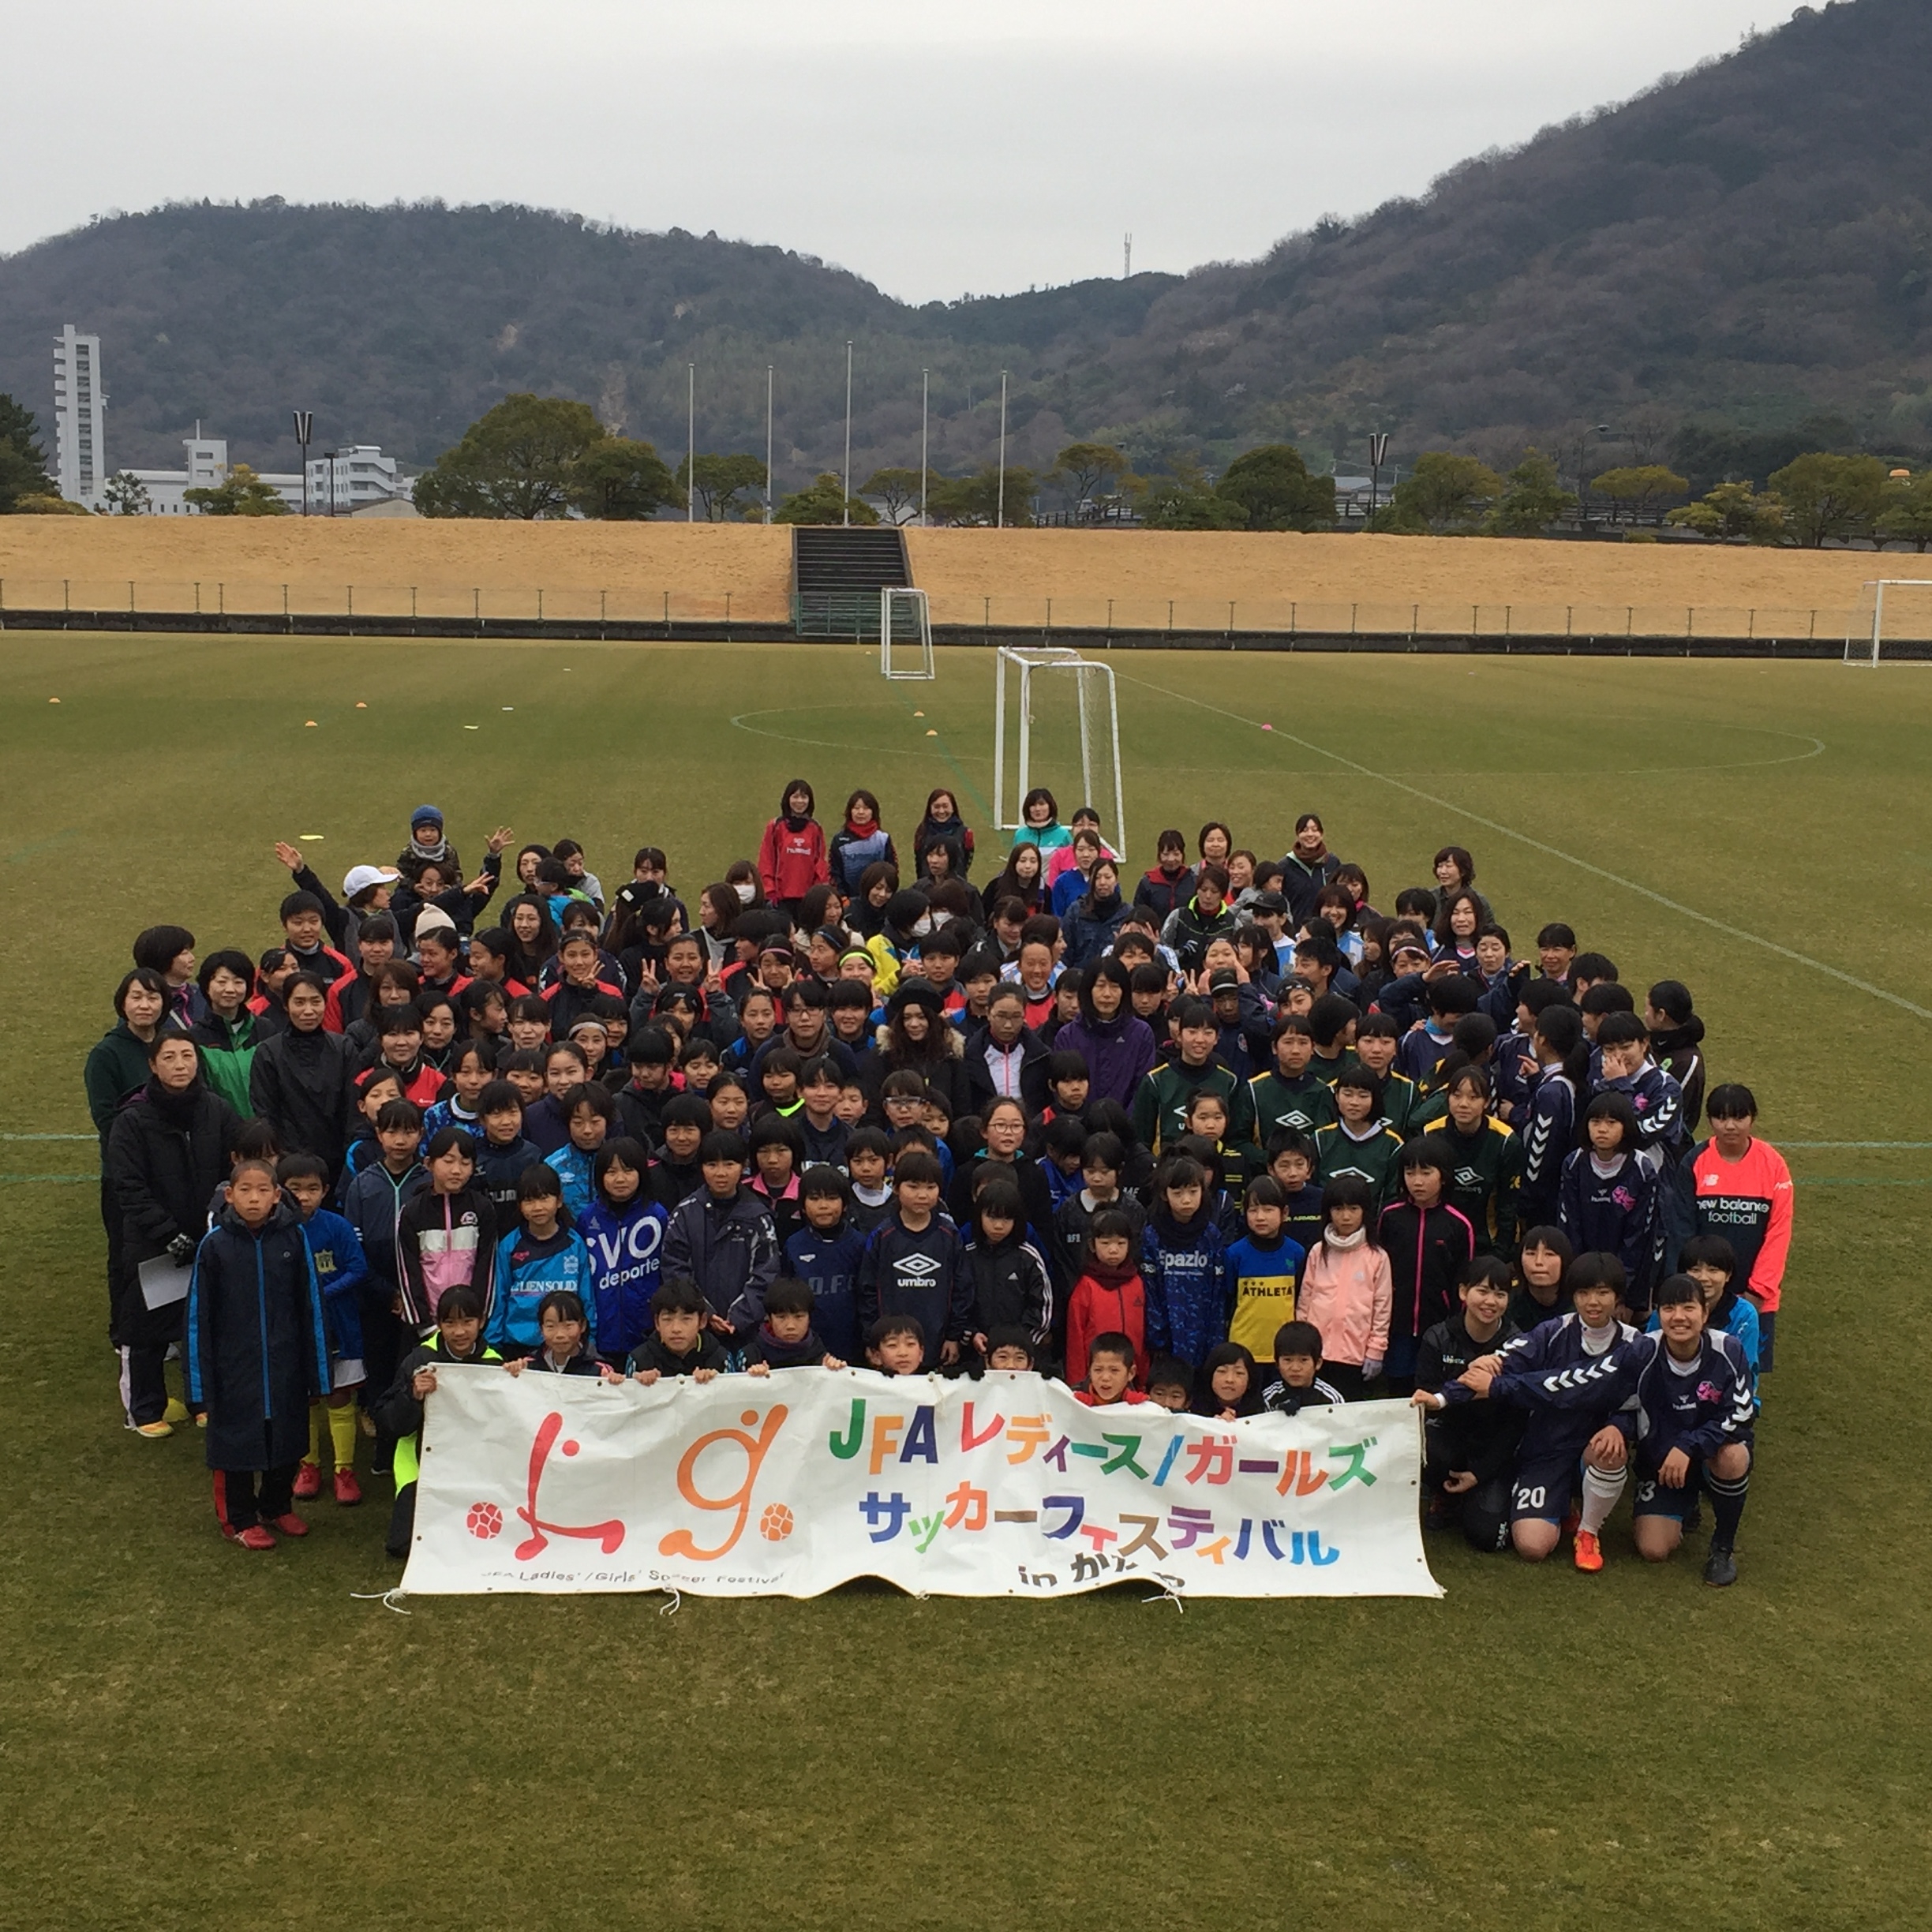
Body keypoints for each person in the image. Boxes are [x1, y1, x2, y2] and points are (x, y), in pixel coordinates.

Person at [1439, 1250, 1642, 1571]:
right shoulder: (1552, 1331)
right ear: (1572, 1295)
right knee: (1532, 1546)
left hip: (1593, 1448)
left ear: (1617, 1298)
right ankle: (1564, 1505)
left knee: (1610, 1449)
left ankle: (1588, 1531)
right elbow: (1502, 1363)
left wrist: (1619, 1426)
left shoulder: (1635, 1343)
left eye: (1603, 1293)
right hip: (1547, 1450)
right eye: (1584, 1292)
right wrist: (1442, 1398)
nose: (1593, 1302)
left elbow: (1636, 1403)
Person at [185, 1159, 332, 1548]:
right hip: (234, 1372)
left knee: (286, 1439)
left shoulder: (292, 1238)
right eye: (245, 1191)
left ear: (276, 1196)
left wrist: (318, 1373)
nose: (254, 1199)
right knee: (234, 1447)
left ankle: (276, 1505)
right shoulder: (214, 1247)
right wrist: (200, 1389)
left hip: (285, 1367)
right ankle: (238, 1519)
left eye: (263, 1190)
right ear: (230, 1196)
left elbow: (311, 1306)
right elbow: (198, 1319)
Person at [107, 1031, 245, 1436]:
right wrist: (166, 1233)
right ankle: (145, 1410)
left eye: (187, 1055)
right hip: (152, 1244)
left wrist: (218, 1216)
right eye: (169, 1057)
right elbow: (128, 1186)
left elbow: (234, 1167)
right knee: (146, 1327)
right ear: (153, 1065)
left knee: (201, 1324)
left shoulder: (217, 1111)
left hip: (207, 1238)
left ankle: (201, 1400)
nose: (180, 1064)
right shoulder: (131, 1120)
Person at [1669, 1084, 1792, 1372]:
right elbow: (1682, 1229)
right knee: (1695, 1367)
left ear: (1753, 1118)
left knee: (1745, 1371)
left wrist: (1757, 1291)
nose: (1730, 1126)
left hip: (1754, 1295)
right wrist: (1692, 1287)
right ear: (1710, 1120)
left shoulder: (1773, 1165)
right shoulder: (1695, 1162)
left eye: (1739, 1117)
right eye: (1721, 1118)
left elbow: (1778, 1233)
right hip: (1702, 1292)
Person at [372, 1283, 500, 1558]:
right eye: (450, 1323)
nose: (460, 1332)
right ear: (439, 1324)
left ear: (481, 1322)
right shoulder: (420, 1358)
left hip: (474, 1462)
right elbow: (386, 1420)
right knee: (404, 1546)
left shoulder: (494, 1364)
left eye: (468, 1322)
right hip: (421, 1460)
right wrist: (413, 1394)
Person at [1410, 1256, 1522, 1552]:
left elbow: (1516, 1422)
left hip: (1492, 1448)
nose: (1490, 1301)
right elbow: (1424, 1400)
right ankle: (1443, 1495)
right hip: (1448, 1440)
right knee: (1429, 1441)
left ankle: (1482, 1492)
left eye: (1500, 1294)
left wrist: (1481, 1473)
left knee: (1489, 1538)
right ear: (1463, 1292)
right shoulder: (1438, 1337)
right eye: (1482, 1291)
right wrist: (1470, 1374)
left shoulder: (1517, 1344)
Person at [277, 1152, 371, 1507]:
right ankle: (308, 1465)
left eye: (313, 1189)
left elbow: (357, 1269)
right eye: (295, 1189)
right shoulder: (277, 1231)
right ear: (279, 1191)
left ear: (326, 1190)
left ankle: (344, 1469)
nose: (304, 1196)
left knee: (339, 1394)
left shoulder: (337, 1226)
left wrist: (320, 1294)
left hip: (340, 1325)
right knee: (306, 1396)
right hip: (294, 1328)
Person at [1376, 1136, 1477, 1391]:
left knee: (1433, 1389)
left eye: (1426, 1172)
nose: (1417, 1181)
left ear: (1443, 1176)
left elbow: (1465, 1279)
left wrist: (1456, 1325)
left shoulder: (1458, 1224)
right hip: (1396, 1324)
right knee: (1398, 1390)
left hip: (1439, 1325)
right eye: (1410, 1173)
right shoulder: (1390, 1216)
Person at [663, 1129, 781, 1339]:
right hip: (694, 1331)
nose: (721, 1173)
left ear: (743, 1166)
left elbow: (766, 1275)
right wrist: (705, 1314)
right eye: (712, 1165)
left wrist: (738, 1317)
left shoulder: (758, 1217)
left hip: (749, 1333)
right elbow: (674, 1269)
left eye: (729, 1164)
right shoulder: (685, 1214)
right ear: (702, 1168)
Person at [857, 1149, 968, 1370]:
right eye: (914, 1186)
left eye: (930, 1187)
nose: (922, 1195)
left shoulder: (950, 1235)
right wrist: (872, 1339)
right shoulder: (882, 1236)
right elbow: (867, 1290)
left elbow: (962, 1288)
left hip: (937, 1343)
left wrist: (954, 1336)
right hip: (890, 1350)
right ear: (896, 1188)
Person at [1559, 1093, 1661, 1318]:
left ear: (1626, 1127)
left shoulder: (1642, 1168)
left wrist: (1621, 1294)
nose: (1602, 1129)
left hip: (1624, 1284)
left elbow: (1640, 1237)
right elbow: (1569, 1225)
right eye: (1595, 1122)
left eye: (1611, 1122)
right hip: (1582, 1272)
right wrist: (1580, 1284)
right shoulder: (1574, 1163)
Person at [1292, 1174, 1391, 1400]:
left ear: (1364, 1211)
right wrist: (1301, 1345)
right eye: (1338, 1209)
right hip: (1317, 1354)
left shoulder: (1377, 1257)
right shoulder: (1318, 1251)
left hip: (1354, 1355)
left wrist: (1376, 1350)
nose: (1346, 1216)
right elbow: (1305, 1299)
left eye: (1353, 1209)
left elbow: (1382, 1308)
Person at [249, 972, 354, 1181]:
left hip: (337, 1165)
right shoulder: (268, 1053)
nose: (308, 1011)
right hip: (287, 1168)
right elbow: (266, 1113)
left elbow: (352, 1110)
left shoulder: (343, 1049)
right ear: (286, 1005)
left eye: (316, 1001)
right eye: (299, 1002)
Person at [395, 1128, 500, 1331]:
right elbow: (408, 1272)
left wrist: (477, 1319)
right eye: (448, 1161)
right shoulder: (412, 1212)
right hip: (427, 1325)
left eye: (465, 1162)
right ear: (429, 1164)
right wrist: (424, 1325)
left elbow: (487, 1269)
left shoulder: (482, 1208)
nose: (456, 1170)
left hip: (471, 1325)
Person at [487, 1166, 594, 1358]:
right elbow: (499, 1298)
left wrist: (591, 1340)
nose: (537, 1207)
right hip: (518, 1347)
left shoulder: (575, 1244)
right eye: (529, 1200)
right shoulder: (509, 1246)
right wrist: (493, 1347)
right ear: (520, 1205)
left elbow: (587, 1299)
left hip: (565, 1346)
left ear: (559, 1200)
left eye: (544, 1198)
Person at [578, 1140, 665, 1367]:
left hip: (647, 1336)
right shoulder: (588, 1218)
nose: (620, 1179)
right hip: (602, 1335)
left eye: (628, 1170)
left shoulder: (657, 1215)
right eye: (611, 1172)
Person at [1142, 1154, 1232, 1368]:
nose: (1186, 1200)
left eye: (1193, 1192)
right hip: (1165, 1340)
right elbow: (1149, 1289)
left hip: (1204, 1338)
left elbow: (1218, 1292)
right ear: (1165, 1195)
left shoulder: (1211, 1236)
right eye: (1178, 1193)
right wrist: (1158, 1337)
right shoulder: (1152, 1235)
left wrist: (1215, 1339)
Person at [962, 1181, 1053, 1368]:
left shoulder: (1028, 1257)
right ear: (979, 1216)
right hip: (975, 1355)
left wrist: (1022, 1343)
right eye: (992, 1217)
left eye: (1006, 1219)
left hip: (1019, 1359)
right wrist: (971, 1334)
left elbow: (1042, 1306)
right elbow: (959, 1301)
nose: (998, 1226)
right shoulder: (967, 1256)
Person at [1065, 1208, 1148, 1387]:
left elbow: (1143, 1335)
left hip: (1131, 1376)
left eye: (1120, 1243)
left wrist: (1143, 1378)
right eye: (1105, 1243)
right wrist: (1077, 1383)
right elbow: (1075, 1340)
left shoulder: (1137, 1282)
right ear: (1092, 1245)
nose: (1113, 1250)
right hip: (1096, 1377)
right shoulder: (1086, 1286)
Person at [627, 1277, 731, 1383]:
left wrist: (714, 1383)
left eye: (686, 1319)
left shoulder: (721, 1358)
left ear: (702, 1321)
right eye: (667, 1319)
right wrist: (642, 1386)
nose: (676, 1329)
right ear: (657, 1322)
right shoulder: (639, 1360)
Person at [758, 780, 829, 914]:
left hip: (808, 899)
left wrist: (817, 894)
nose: (800, 801)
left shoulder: (815, 828)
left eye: (804, 797)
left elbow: (820, 864)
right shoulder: (775, 826)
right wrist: (770, 891)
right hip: (780, 898)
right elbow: (766, 860)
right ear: (787, 799)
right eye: (795, 797)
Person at [743, 1277, 846, 1370]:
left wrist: (833, 1370)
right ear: (769, 1319)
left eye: (799, 1317)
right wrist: (753, 1378)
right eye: (781, 1317)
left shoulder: (819, 1354)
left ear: (809, 1318)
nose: (790, 1326)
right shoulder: (752, 1355)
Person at [503, 1290, 608, 1378]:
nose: (560, 1334)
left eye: (568, 1325)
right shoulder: (529, 1365)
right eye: (550, 1326)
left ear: (583, 1326)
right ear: (541, 1328)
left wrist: (615, 1381)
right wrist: (512, 1371)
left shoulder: (599, 1370)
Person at [1259, 1320, 1346, 1413]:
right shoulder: (1268, 1398)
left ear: (1318, 1363)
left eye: (1303, 1360)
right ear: (1277, 1363)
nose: (1295, 1368)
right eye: (1288, 1360)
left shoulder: (1331, 1399)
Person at [1193, 1341, 1264, 1418]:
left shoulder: (1263, 1411)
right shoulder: (1192, 1409)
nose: (1229, 1380)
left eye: (1239, 1373)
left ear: (1250, 1381)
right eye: (1222, 1371)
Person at [1075, 1334, 1146, 1407]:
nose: (1105, 1378)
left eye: (1114, 1370)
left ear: (1131, 1373)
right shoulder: (1073, 1399)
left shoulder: (1140, 1407)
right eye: (1098, 1370)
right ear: (1089, 1370)